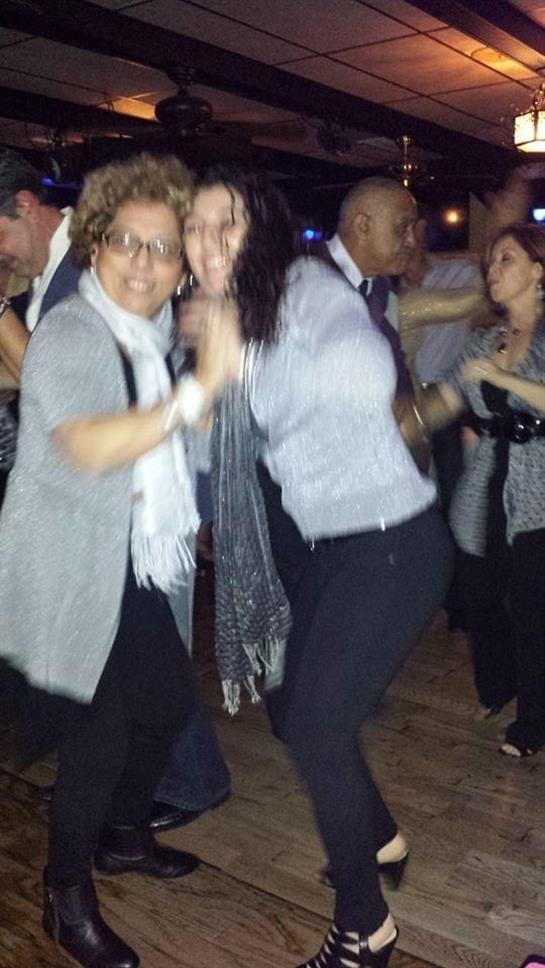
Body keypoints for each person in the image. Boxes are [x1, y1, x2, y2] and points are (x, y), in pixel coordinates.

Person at [182, 165, 453, 968]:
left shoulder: (302, 286)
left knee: (316, 727)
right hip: (336, 544)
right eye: (193, 229)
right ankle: (378, 837)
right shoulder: (236, 318)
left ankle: (364, 927)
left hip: (394, 541)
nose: (203, 244)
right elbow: (212, 440)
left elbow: (360, 367)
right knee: (292, 703)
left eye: (220, 226)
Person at [0, 152, 239, 968]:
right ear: (95, 246)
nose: (142, 261)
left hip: (124, 558)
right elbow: (86, 443)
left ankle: (125, 838)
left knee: (168, 705)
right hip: (65, 566)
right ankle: (65, 898)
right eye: (126, 242)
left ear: (178, 269)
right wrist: (197, 391)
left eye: (161, 247)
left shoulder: (146, 332)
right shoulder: (72, 326)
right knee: (99, 742)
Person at [400, 223, 545, 756]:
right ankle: (499, 684)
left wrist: (503, 379)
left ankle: (534, 721)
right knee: (481, 600)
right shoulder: (484, 341)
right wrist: (404, 423)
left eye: (505, 259)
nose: (492, 270)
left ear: (538, 271)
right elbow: (446, 400)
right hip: (485, 485)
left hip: (538, 493)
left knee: (533, 610)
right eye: (491, 261)